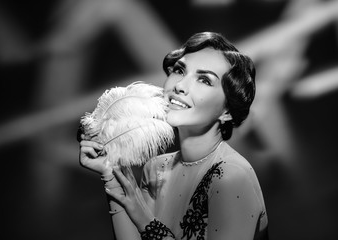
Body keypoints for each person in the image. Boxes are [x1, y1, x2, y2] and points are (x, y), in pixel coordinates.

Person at [78, 31, 269, 240]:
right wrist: (112, 175)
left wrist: (143, 219)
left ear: (227, 111)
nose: (180, 86)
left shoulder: (232, 177)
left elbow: (146, 227)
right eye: (180, 70)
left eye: (204, 80)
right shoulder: (157, 169)